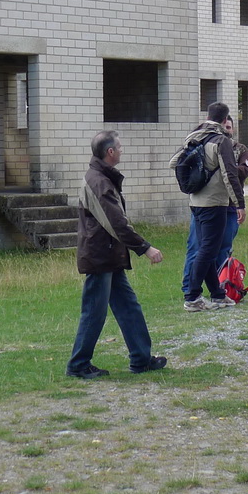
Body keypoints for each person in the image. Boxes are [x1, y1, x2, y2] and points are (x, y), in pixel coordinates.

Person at [68, 130, 168, 379]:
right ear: (110, 152)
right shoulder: (99, 183)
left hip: (110, 256)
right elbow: (117, 224)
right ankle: (78, 365)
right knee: (94, 312)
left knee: (128, 307)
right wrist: (145, 248)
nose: (123, 150)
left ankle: (141, 359)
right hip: (100, 258)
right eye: (120, 147)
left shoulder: (102, 177)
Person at [174, 101, 246, 312]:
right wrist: (239, 204)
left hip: (195, 201)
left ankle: (218, 295)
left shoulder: (194, 136)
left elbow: (175, 162)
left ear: (208, 116)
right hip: (214, 203)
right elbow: (229, 174)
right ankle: (192, 296)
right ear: (225, 120)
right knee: (208, 251)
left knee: (207, 250)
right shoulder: (221, 140)